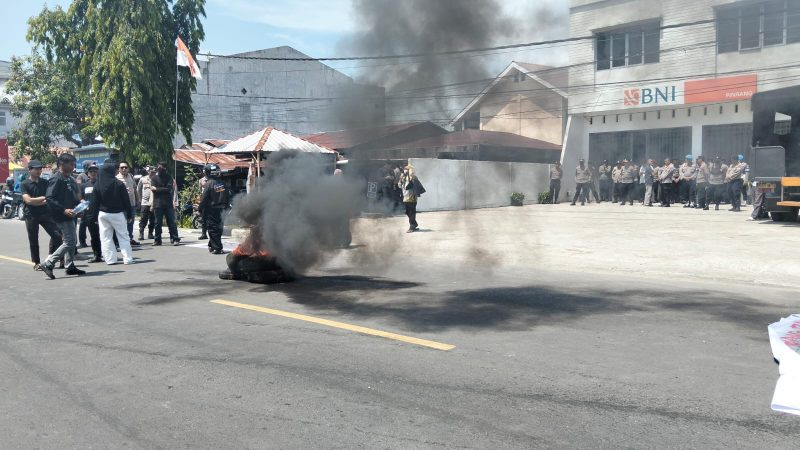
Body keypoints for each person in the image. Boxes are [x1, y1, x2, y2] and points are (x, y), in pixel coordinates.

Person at [40, 153, 85, 279]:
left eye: (73, 164)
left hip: (71, 214)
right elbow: (49, 198)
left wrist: (79, 207)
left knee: (72, 241)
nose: (73, 167)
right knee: (69, 241)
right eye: (70, 164)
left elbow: (72, 197)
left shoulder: (69, 179)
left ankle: (69, 266)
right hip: (61, 215)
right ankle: (48, 263)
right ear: (61, 164)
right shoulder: (56, 178)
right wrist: (63, 210)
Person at [20, 160, 63, 271]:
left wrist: (38, 201)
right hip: (31, 215)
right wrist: (43, 199)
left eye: (40, 168)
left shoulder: (45, 182)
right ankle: (37, 262)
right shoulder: (24, 184)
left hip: (45, 213)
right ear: (30, 170)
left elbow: (50, 198)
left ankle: (60, 258)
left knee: (57, 235)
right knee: (33, 239)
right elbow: (28, 200)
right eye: (36, 168)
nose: (39, 170)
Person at [91, 162, 134, 265]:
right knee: (123, 236)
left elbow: (95, 203)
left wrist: (94, 217)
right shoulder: (119, 184)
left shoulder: (97, 185)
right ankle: (127, 259)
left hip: (103, 214)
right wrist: (129, 214)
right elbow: (126, 201)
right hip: (117, 214)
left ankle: (110, 260)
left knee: (106, 238)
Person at [199, 164, 229, 254]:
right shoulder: (223, 183)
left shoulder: (209, 184)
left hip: (211, 210)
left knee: (212, 229)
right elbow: (228, 197)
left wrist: (200, 208)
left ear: (207, 173)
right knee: (219, 229)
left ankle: (218, 248)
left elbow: (204, 198)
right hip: (222, 210)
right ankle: (212, 245)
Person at [150, 162, 181, 246]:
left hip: (168, 203)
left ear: (165, 168)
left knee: (171, 222)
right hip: (158, 203)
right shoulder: (154, 178)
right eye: (158, 168)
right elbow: (152, 189)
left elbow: (168, 189)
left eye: (161, 168)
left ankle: (175, 239)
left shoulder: (169, 177)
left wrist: (157, 189)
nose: (159, 169)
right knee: (157, 223)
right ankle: (157, 240)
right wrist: (159, 189)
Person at [80, 162, 103, 263]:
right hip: (90, 214)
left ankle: (107, 253)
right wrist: (84, 202)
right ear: (88, 173)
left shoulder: (102, 184)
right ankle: (97, 255)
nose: (93, 173)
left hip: (102, 213)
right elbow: (80, 198)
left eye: (95, 171)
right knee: (94, 236)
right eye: (91, 171)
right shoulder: (84, 185)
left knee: (105, 235)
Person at [116, 161, 140, 245]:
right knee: (122, 223)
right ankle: (122, 240)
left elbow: (135, 189)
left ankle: (130, 238)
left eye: (126, 167)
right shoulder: (116, 178)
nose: (124, 169)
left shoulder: (131, 176)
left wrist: (138, 200)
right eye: (122, 167)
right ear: (119, 169)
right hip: (121, 205)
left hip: (132, 204)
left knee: (131, 222)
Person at [398, 164, 425, 232]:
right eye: (405, 169)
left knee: (411, 212)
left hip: (412, 197)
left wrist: (410, 179)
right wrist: (401, 180)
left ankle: (412, 227)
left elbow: (413, 186)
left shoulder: (413, 177)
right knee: (407, 212)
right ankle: (414, 224)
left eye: (406, 169)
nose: (405, 170)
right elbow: (399, 185)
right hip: (405, 197)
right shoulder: (403, 177)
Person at [76, 160, 94, 248]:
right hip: (84, 202)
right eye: (91, 166)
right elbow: (78, 188)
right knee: (83, 223)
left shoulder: (95, 175)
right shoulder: (81, 176)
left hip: (93, 203)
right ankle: (82, 241)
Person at [136, 166, 156, 240]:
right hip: (145, 202)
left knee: (153, 219)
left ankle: (150, 233)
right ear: (148, 171)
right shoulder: (143, 179)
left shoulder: (156, 179)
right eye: (151, 171)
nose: (152, 173)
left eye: (154, 172)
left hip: (154, 202)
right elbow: (138, 190)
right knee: (143, 218)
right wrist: (140, 200)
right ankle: (141, 233)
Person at [198, 171, 209, 240]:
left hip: (211, 199)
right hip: (204, 199)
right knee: (204, 217)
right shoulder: (201, 180)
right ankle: (204, 234)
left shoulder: (212, 179)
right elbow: (200, 191)